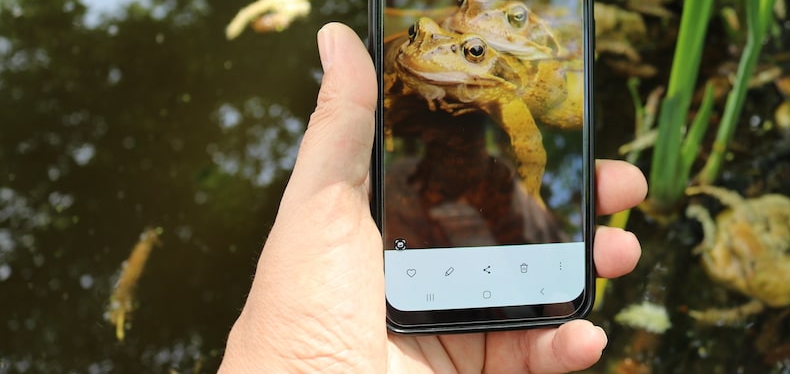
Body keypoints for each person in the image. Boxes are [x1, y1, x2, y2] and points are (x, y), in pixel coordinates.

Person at [220, 23, 647, 373]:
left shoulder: (502, 91)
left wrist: (530, 195)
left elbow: (531, 148)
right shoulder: (410, 76)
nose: (424, 48)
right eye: (415, 33)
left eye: (472, 51)